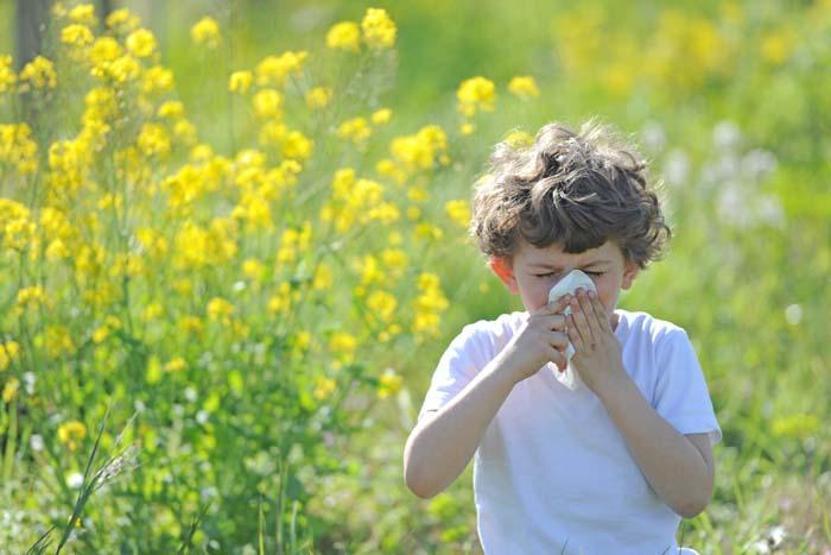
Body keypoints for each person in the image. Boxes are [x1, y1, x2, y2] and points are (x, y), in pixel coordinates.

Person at [403, 120, 722, 554]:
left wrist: (612, 381)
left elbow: (691, 495)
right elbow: (422, 477)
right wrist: (508, 368)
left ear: (629, 269)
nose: (571, 291)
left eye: (593, 273)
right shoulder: (485, 348)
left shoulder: (660, 347)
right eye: (545, 274)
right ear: (506, 271)